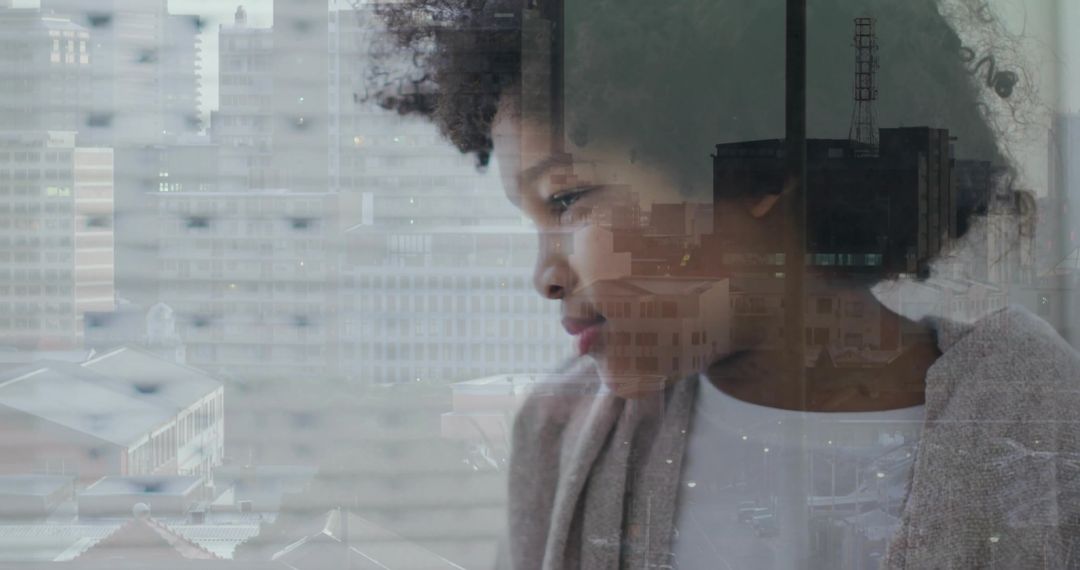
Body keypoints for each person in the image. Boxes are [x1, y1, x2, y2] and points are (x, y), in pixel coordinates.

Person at [372, 0, 1080, 568]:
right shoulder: (557, 435)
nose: (545, 278)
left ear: (758, 165)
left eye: (567, 199)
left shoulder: (1049, 433)